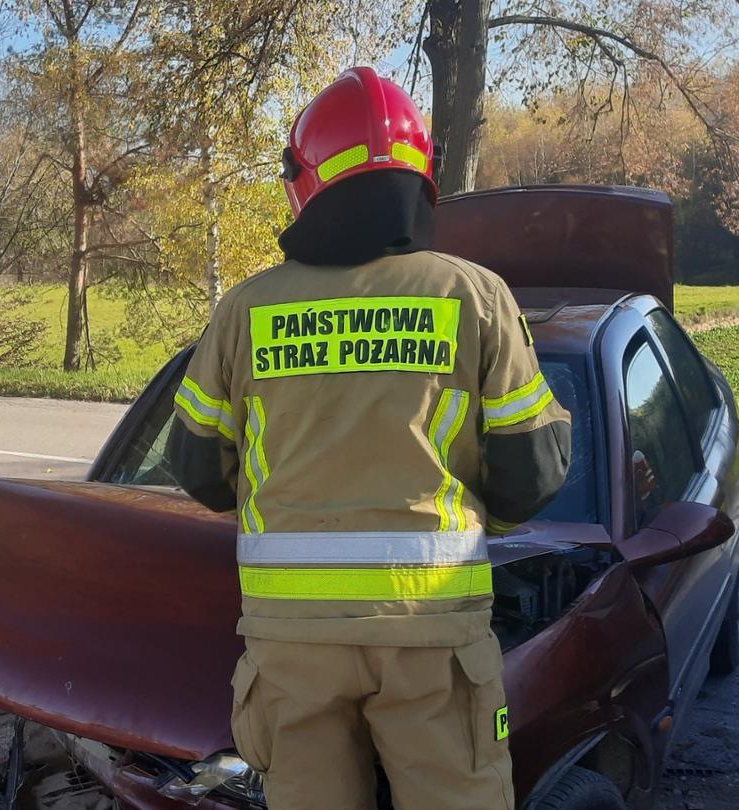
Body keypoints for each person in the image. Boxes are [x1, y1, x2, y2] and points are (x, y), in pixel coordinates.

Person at [168, 67, 571, 810]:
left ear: (305, 177)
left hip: (293, 648)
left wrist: (284, 506)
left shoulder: (246, 309)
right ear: (423, 173)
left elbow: (195, 463)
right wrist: (477, 522)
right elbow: (534, 466)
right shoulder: (474, 296)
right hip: (433, 632)